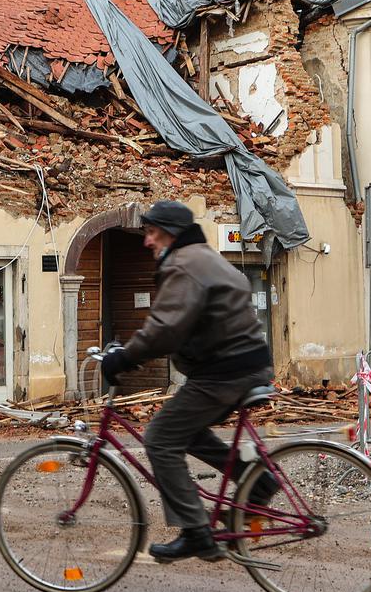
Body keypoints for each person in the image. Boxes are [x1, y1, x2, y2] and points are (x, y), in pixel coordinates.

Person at [101, 200, 278, 563]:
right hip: (244, 365)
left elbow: (165, 328)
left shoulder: (184, 265)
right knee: (189, 433)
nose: (146, 241)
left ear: (170, 233)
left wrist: (124, 357)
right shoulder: (205, 256)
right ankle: (257, 480)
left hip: (223, 371)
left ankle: (196, 532)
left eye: (151, 232)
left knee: (161, 438)